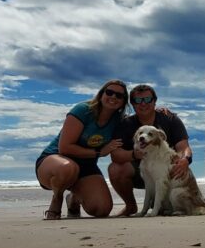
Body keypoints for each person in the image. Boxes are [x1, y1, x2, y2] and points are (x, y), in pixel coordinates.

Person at [35, 79, 128, 220]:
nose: (113, 97)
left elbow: (139, 122)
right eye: (109, 92)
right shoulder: (83, 110)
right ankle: (57, 198)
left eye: (119, 95)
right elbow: (65, 147)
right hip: (56, 159)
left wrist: (161, 112)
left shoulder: (119, 120)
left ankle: (73, 199)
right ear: (101, 94)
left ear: (123, 102)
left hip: (86, 165)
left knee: (101, 209)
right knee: (68, 168)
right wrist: (98, 152)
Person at [109, 84, 194, 217]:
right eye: (138, 100)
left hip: (166, 171)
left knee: (166, 185)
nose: (143, 104)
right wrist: (134, 154)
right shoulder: (125, 124)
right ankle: (131, 206)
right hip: (138, 172)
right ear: (132, 103)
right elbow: (115, 155)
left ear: (154, 101)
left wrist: (185, 160)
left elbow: (184, 148)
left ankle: (164, 205)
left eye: (148, 99)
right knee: (115, 169)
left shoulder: (170, 119)